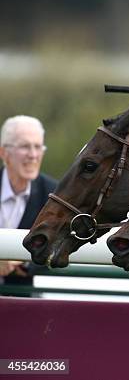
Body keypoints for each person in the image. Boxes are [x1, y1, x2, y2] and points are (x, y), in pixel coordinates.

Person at [0, 115, 57, 288]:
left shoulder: (54, 194)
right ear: (4, 152)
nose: (33, 155)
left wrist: (22, 262)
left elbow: (59, 246)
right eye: (25, 146)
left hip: (25, 301)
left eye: (38, 147)